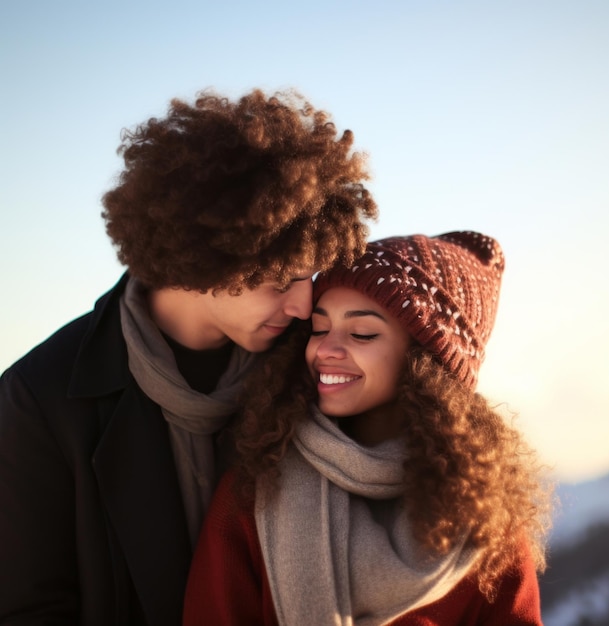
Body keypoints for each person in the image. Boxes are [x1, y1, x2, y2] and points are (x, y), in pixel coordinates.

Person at [0, 88, 377, 626]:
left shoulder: (313, 362)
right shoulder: (38, 399)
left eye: (309, 278)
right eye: (278, 282)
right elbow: (28, 609)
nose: (302, 305)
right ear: (202, 263)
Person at [183, 231, 554, 625]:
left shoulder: (487, 519)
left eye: (361, 333)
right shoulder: (253, 492)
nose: (326, 349)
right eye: (319, 330)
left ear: (425, 363)